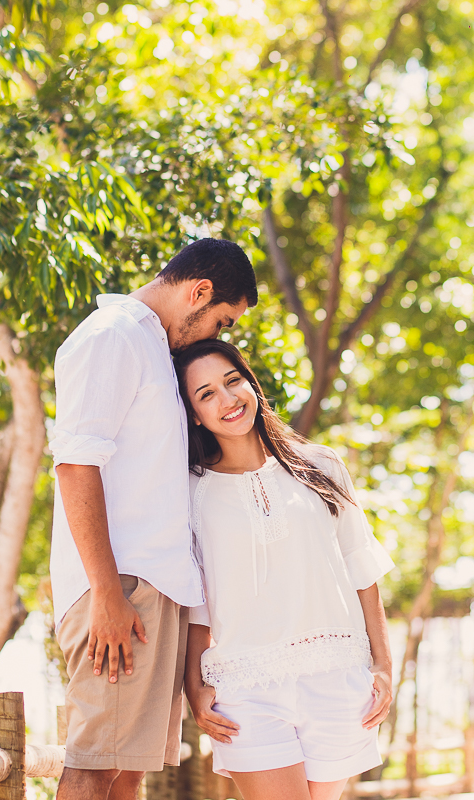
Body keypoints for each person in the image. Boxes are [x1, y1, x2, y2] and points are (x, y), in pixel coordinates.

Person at [50, 240, 258, 800]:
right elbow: (74, 464)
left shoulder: (150, 349)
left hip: (149, 588)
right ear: (199, 291)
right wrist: (106, 593)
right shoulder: (112, 336)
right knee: (96, 765)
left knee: (127, 770)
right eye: (221, 320)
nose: (218, 335)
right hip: (121, 587)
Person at [174, 339, 396, 800]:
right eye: (206, 393)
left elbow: (364, 572)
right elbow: (197, 599)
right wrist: (193, 687)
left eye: (232, 381)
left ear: (251, 383)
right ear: (194, 414)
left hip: (337, 674)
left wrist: (384, 666)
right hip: (245, 686)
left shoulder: (322, 465)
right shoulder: (190, 491)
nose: (228, 399)